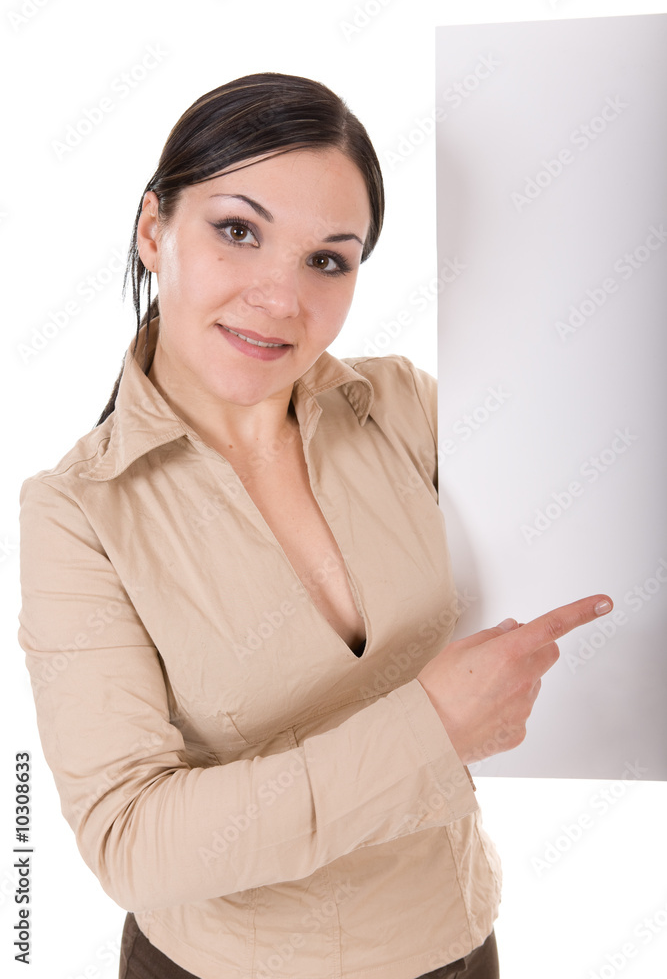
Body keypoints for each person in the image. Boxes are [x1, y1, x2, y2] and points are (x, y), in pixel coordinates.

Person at [18, 72, 612, 979]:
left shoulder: (401, 407)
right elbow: (130, 841)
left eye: (327, 260)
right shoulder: (77, 512)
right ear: (153, 230)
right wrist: (429, 728)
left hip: (454, 940)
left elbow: (590, 500)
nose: (280, 298)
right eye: (238, 231)